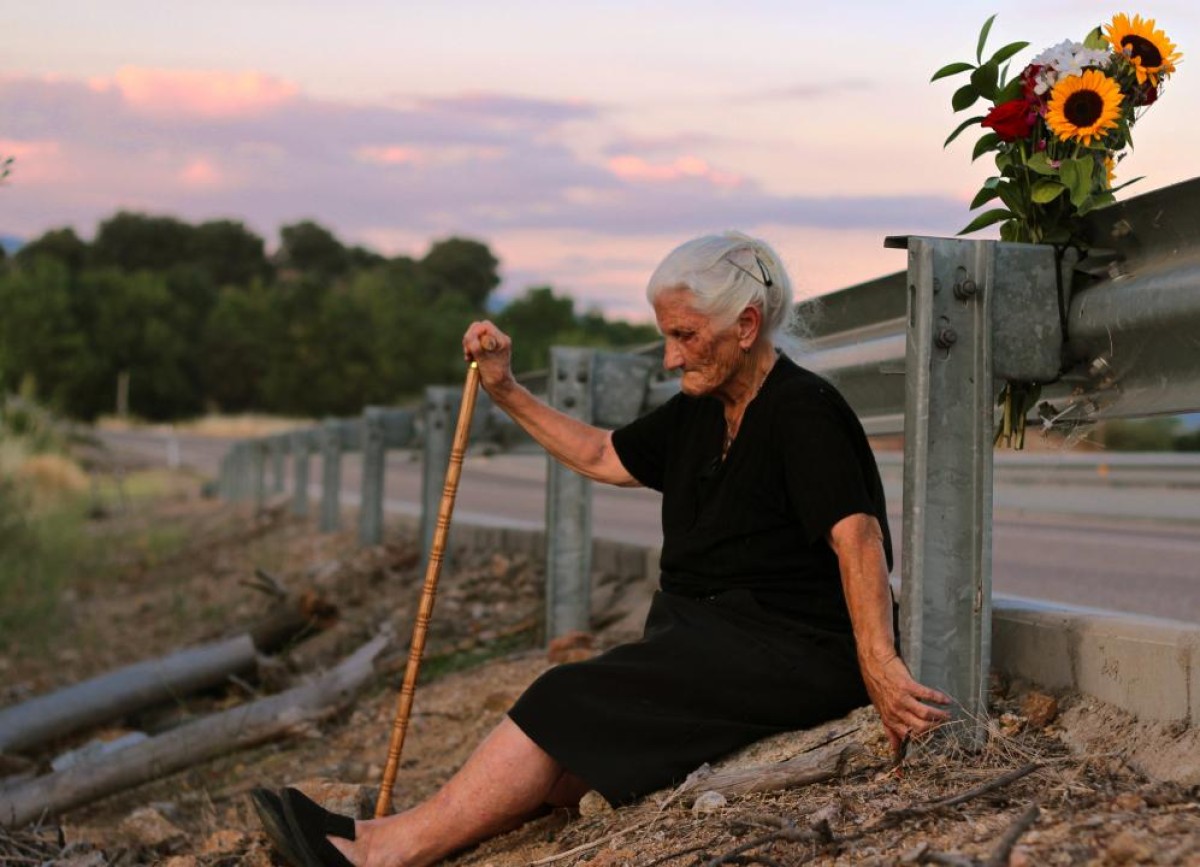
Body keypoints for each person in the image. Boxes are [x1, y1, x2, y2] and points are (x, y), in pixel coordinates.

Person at [254, 231, 951, 867]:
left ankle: (381, 852)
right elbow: (601, 454)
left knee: (563, 695)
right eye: (666, 336)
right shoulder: (701, 407)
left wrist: (879, 665)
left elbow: (856, 537)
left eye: (684, 335)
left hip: (789, 651)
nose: (671, 356)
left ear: (745, 326)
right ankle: (381, 832)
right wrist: (506, 390)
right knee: (566, 763)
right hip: (710, 642)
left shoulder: (804, 410)